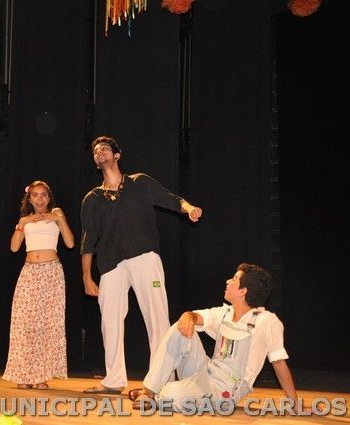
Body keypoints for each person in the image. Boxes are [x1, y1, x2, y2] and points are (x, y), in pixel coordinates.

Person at [81, 136, 203, 394]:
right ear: (95, 162)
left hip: (145, 258)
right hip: (110, 264)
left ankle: (161, 380)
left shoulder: (140, 182)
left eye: (105, 149)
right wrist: (87, 277)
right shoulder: (92, 199)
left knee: (157, 317)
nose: (100, 152)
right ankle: (114, 379)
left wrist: (189, 208)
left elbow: (171, 198)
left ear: (116, 155)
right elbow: (88, 240)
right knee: (110, 320)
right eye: (96, 151)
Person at [128, 263, 307, 413]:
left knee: (172, 395)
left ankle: (162, 395)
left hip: (226, 389)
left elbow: (279, 362)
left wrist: (294, 403)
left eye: (234, 279)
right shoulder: (225, 313)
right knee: (180, 328)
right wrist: (188, 316)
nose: (228, 281)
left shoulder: (266, 321)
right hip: (206, 372)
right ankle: (149, 392)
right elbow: (197, 317)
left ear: (243, 291)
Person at [3, 180, 75, 390]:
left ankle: (41, 375)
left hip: (51, 272)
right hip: (29, 273)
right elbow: (14, 247)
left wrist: (59, 219)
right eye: (35, 195)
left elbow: (70, 243)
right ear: (29, 198)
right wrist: (22, 223)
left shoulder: (57, 213)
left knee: (47, 324)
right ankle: (23, 374)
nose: (40, 199)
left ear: (49, 197)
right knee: (25, 324)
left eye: (44, 194)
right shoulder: (24, 219)